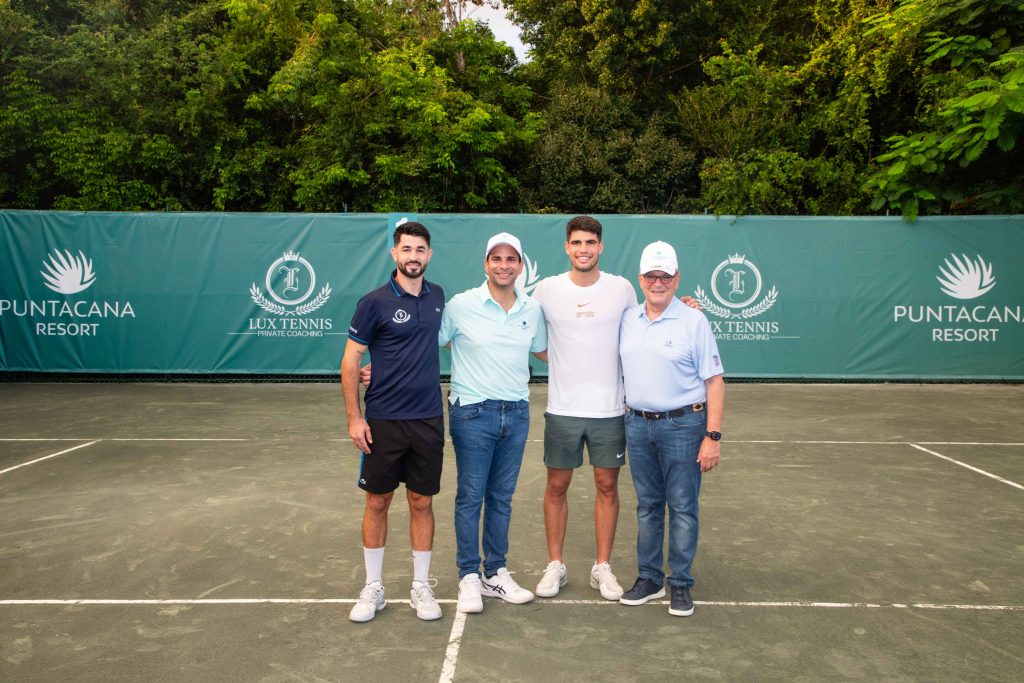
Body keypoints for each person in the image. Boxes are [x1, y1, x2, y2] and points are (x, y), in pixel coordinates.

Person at [341, 221, 446, 623]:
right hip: (383, 420)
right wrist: (355, 417)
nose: (413, 257)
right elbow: (351, 359)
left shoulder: (438, 297)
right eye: (407, 250)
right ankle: (373, 587)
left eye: (420, 250)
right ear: (394, 254)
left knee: (422, 502)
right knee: (378, 501)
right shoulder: (373, 302)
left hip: (428, 420)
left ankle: (421, 586)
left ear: (429, 255)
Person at [529, 216, 637, 601]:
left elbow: (642, 329)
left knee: (607, 486)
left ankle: (601, 567)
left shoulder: (622, 289)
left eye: (590, 242)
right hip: (563, 409)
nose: (584, 249)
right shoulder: (547, 289)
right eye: (576, 243)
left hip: (610, 410)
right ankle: (555, 565)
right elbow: (529, 334)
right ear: (567, 247)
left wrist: (686, 306)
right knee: (556, 486)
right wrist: (557, 357)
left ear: (601, 247)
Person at [439, 232, 548, 614]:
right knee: (471, 497)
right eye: (496, 259)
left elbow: (554, 350)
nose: (504, 265)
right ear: (485, 264)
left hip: (517, 413)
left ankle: (495, 572)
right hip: (472, 412)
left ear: (520, 266)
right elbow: (421, 341)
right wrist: (380, 368)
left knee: (501, 499)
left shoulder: (532, 310)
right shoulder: (460, 305)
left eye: (511, 259)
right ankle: (469, 576)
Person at [617, 241, 724, 617]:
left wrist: (712, 436)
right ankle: (649, 578)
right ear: (640, 279)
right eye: (651, 276)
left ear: (677, 279)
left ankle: (679, 583)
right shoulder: (627, 318)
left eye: (665, 276)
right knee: (648, 506)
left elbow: (714, 381)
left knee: (682, 507)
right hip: (637, 425)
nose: (658, 282)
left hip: (684, 426)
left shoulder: (694, 320)